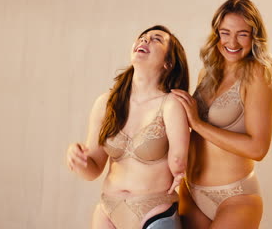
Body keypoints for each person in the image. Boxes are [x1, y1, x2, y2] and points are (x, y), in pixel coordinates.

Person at [172, 0, 272, 229]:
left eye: (242, 34)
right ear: (216, 34)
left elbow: (258, 149)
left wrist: (198, 124)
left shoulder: (258, 74)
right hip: (191, 193)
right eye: (225, 32)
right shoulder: (207, 73)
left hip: (235, 197)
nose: (232, 42)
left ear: (254, 36)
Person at [66, 25, 190, 229]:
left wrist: (180, 169)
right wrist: (78, 159)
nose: (144, 40)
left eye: (156, 39)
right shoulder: (106, 104)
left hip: (153, 210)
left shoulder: (171, 104)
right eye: (142, 37)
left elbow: (179, 159)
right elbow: (93, 169)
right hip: (108, 211)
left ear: (168, 63)